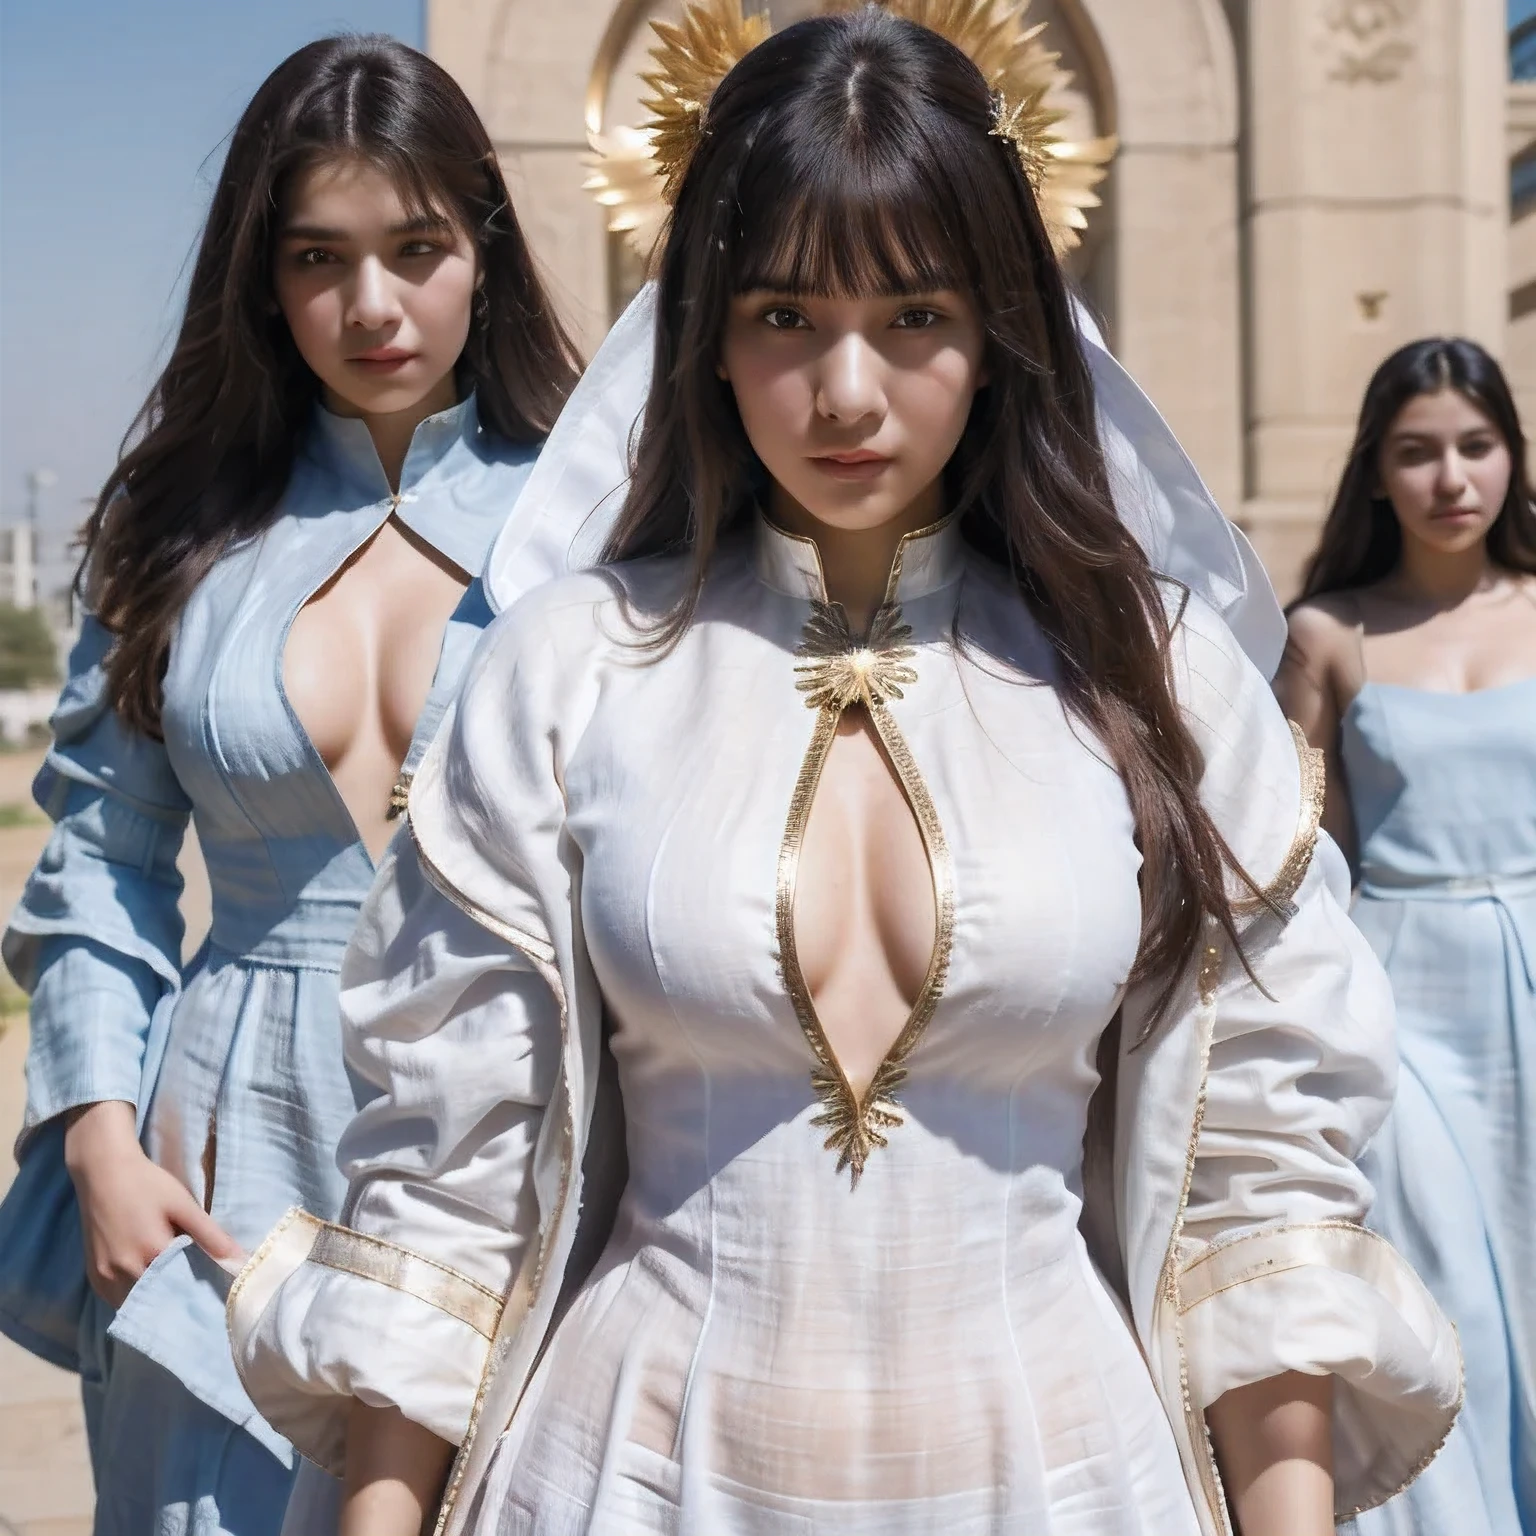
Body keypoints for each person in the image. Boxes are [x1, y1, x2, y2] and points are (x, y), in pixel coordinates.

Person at [230, 7, 1461, 1536]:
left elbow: (1259, 1175)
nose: (850, 392)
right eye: (785, 317)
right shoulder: (566, 672)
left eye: (918, 317)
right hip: (631, 1472)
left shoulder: (1162, 683)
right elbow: (449, 1179)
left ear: (1002, 327)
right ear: (707, 332)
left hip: (1065, 1475)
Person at [0, 34, 580, 1536]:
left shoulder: (597, 519)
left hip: (518, 1131)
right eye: (320, 257)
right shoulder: (180, 521)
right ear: (264, 276)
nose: (371, 306)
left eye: (415, 248)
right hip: (216, 1154)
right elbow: (101, 853)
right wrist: (98, 1132)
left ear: (485, 250)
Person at [1276, 339, 1536, 1536]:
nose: (1450, 478)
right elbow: (1290, 853)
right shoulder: (1328, 632)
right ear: (1377, 473)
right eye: (1417, 452)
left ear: (1512, 459)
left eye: (1475, 447)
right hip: (1405, 999)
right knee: (1447, 1299)